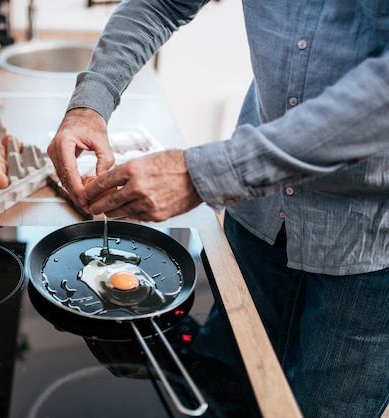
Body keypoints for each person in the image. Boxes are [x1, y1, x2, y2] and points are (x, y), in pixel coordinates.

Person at [46, 1, 389, 417]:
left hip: (370, 246)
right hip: (259, 214)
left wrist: (205, 174)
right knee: (226, 388)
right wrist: (90, 102)